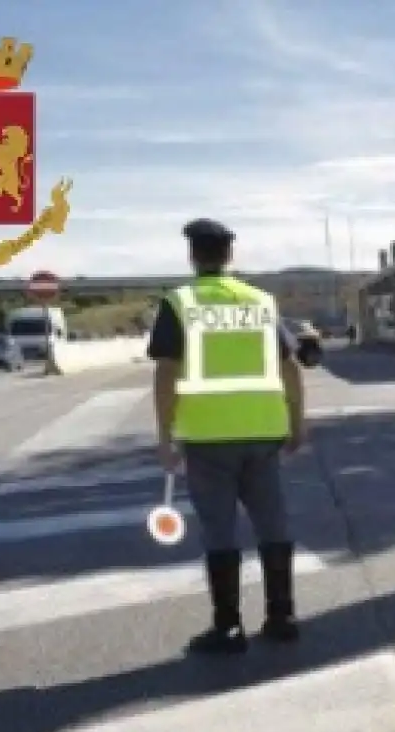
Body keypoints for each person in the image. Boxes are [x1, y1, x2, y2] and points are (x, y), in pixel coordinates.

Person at [147, 218, 309, 655]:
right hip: (262, 430)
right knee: (272, 522)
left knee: (219, 529)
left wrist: (165, 436)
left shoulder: (179, 303)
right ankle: (282, 615)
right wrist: (298, 421)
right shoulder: (260, 302)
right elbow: (288, 366)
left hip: (208, 437)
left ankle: (229, 626)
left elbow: (166, 373)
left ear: (193, 255)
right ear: (229, 256)